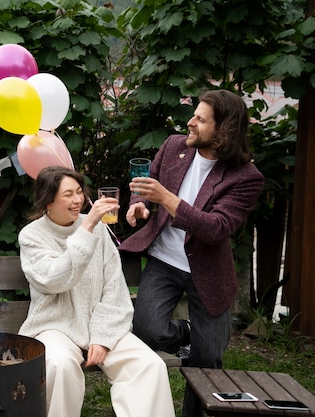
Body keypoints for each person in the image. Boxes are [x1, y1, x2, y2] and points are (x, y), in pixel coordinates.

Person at [118, 89, 265, 417]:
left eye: (200, 119)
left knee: (207, 364)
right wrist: (139, 207)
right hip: (163, 259)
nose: (191, 122)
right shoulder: (173, 147)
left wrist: (167, 199)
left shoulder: (245, 177)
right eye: (194, 115)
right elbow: (146, 186)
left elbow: (215, 227)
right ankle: (185, 333)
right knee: (147, 330)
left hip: (209, 271)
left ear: (224, 130)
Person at [17, 166, 175, 417]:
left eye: (79, 192)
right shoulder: (32, 235)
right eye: (67, 194)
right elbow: (54, 279)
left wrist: (102, 336)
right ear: (48, 201)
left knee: (149, 365)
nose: (77, 199)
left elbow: (114, 285)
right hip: (55, 325)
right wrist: (87, 226)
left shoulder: (99, 229)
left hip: (100, 324)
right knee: (60, 365)